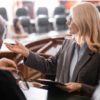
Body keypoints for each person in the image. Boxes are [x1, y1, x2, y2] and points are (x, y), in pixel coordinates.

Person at [5, 2, 100, 98]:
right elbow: (50, 66)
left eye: (71, 19)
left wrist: (81, 87)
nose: (67, 22)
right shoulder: (68, 43)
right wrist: (27, 53)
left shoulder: (97, 51)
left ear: (83, 21)